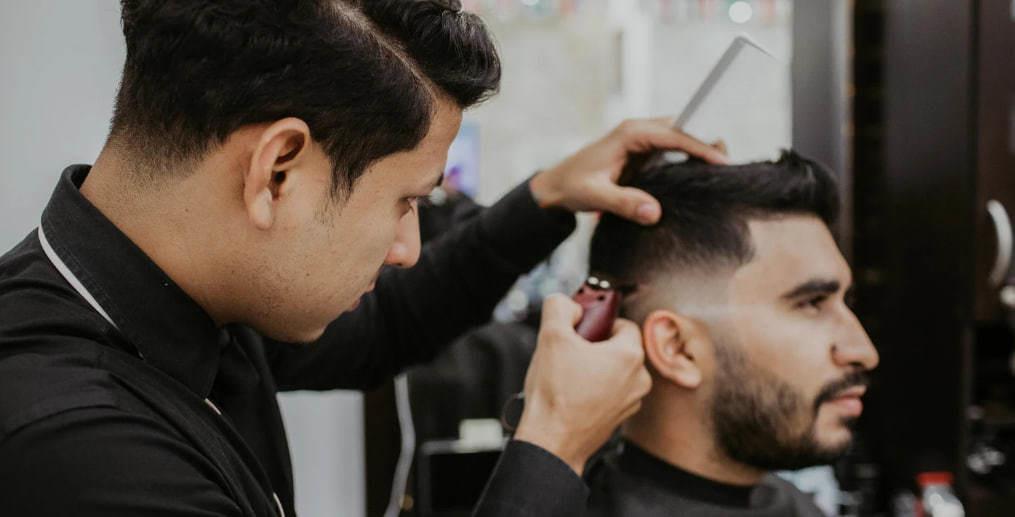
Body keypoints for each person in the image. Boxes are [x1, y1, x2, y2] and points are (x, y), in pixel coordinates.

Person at [0, 1, 730, 516]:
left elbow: (381, 330)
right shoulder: (81, 451)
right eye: (404, 202)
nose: (407, 250)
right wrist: (553, 443)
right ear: (278, 169)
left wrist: (547, 199)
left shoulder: (186, 297)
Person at [585, 151, 879, 516]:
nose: (863, 351)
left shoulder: (791, 504)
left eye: (844, 301)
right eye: (811, 303)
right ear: (677, 348)